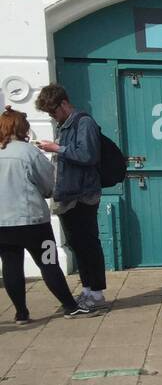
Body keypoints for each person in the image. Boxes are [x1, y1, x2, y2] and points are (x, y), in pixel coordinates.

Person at [0, 107, 89, 323]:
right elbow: (49, 184)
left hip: (3, 224)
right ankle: (70, 306)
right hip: (33, 222)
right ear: (22, 128)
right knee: (48, 262)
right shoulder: (29, 153)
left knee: (11, 266)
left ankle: (21, 312)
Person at [33, 85, 109, 312]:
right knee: (77, 244)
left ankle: (96, 292)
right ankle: (87, 289)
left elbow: (88, 155)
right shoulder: (64, 124)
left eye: (53, 111)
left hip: (83, 194)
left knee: (88, 243)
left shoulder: (84, 122)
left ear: (64, 104)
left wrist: (57, 148)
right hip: (68, 194)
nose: (52, 116)